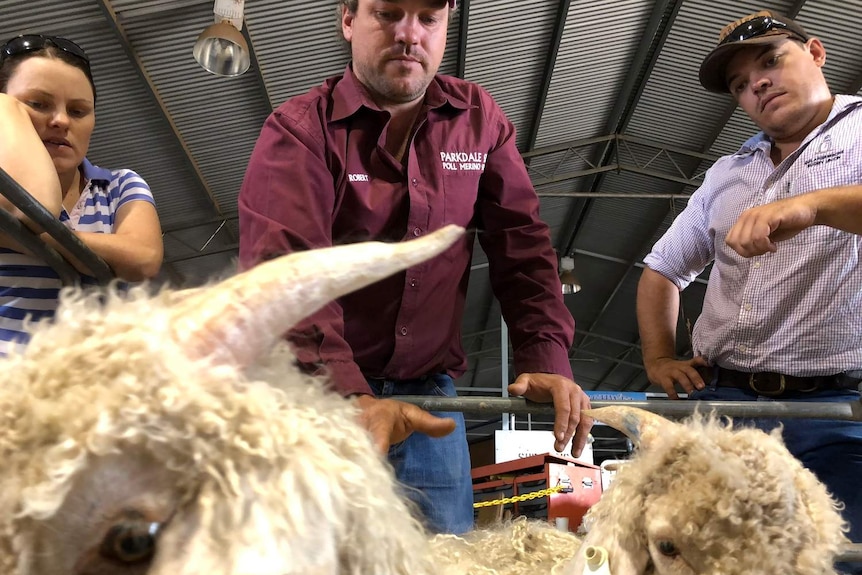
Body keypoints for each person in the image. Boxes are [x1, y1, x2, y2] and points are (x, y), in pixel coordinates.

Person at [238, 0, 591, 534]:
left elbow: (522, 245)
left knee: (445, 557)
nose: (409, 35)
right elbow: (288, 276)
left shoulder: (478, 122)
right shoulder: (300, 132)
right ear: (348, 19)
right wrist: (347, 395)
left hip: (428, 398)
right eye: (388, 14)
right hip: (317, 398)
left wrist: (544, 355)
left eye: (428, 18)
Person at [637, 10, 862, 572]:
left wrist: (814, 205)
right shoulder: (728, 172)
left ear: (815, 52)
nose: (756, 83)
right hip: (728, 406)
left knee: (836, 556)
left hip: (836, 407)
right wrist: (659, 358)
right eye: (740, 84)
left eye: (770, 61)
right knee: (713, 555)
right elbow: (663, 268)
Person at [0, 35, 163, 355]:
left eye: (78, 111)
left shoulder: (121, 185)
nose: (60, 120)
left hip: (96, 389)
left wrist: (18, 234)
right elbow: (39, 205)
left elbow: (142, 259)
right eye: (36, 104)